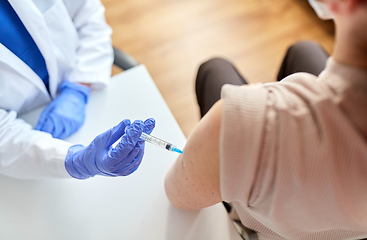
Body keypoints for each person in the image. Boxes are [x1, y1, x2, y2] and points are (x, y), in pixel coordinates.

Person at [165, 0, 367, 239]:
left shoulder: (239, 121)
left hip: (268, 231)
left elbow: (179, 195)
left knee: (214, 70)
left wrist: (248, 111)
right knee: (305, 51)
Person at [0, 0, 154, 179]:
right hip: (22, 131)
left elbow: (88, 14)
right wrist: (75, 160)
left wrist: (79, 87)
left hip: (84, 88)